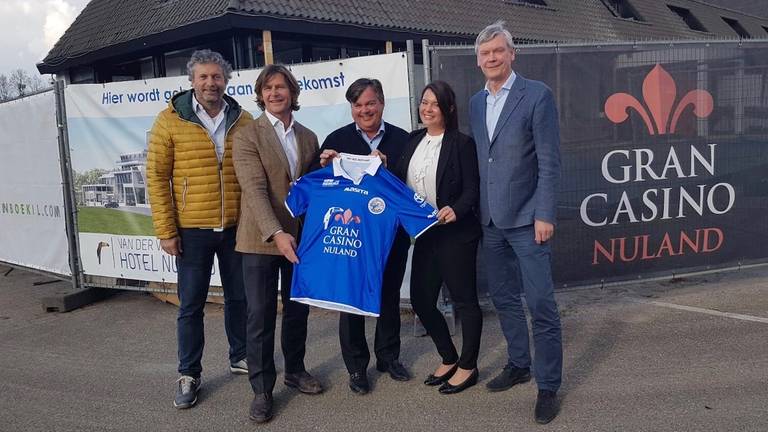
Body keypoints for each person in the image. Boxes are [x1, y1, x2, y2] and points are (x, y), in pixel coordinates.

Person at [146, 49, 252, 409]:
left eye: (217, 77)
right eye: (203, 77)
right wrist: (166, 229)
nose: (211, 83)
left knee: (240, 298)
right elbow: (157, 178)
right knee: (190, 305)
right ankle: (189, 373)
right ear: (191, 81)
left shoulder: (243, 119)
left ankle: (241, 356)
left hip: (237, 226)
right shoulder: (170, 120)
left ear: (226, 80)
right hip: (191, 230)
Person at [469, 21, 563, 424]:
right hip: (490, 221)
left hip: (528, 221)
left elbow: (549, 160)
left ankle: (548, 385)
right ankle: (519, 364)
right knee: (505, 299)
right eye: (485, 53)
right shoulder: (476, 103)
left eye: (498, 51)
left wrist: (545, 213)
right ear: (479, 60)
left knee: (541, 304)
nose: (491, 58)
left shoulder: (536, 95)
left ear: (512, 54)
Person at [232, 64, 323, 423]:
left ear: (293, 93)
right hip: (260, 240)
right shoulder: (247, 136)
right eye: (268, 88)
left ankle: (295, 370)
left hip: (300, 239)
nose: (274, 93)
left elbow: (313, 185)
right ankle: (262, 389)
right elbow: (254, 191)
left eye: (281, 87)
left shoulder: (309, 136)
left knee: (297, 308)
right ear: (261, 94)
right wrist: (276, 232)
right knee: (260, 316)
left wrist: (329, 164)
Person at [314, 78, 411, 394]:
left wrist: (389, 168)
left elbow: (410, 187)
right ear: (352, 108)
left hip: (390, 237)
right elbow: (322, 189)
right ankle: (356, 368)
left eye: (370, 103)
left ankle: (388, 357)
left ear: (382, 103)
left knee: (388, 297)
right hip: (351, 239)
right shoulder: (336, 140)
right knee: (352, 300)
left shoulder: (402, 140)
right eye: (358, 105)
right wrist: (325, 165)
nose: (364, 110)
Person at [393, 81, 483, 394]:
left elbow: (472, 188)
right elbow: (399, 181)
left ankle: (469, 367)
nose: (427, 109)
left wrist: (455, 209)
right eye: (424, 102)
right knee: (421, 299)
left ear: (448, 109)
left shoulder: (461, 143)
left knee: (464, 301)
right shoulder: (413, 139)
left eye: (435, 104)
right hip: (426, 234)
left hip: (456, 234)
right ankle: (448, 357)